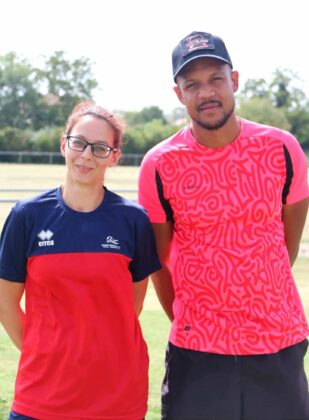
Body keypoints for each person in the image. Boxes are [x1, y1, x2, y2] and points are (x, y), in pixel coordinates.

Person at [138, 31, 309, 420]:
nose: (206, 92)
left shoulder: (282, 149)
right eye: (192, 84)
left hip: (276, 345)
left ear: (234, 80)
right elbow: (160, 262)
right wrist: (195, 318)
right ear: (179, 94)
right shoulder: (160, 164)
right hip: (198, 353)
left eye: (215, 78)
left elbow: (286, 244)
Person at [0, 100, 161, 420]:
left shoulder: (133, 220)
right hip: (42, 397)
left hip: (117, 398)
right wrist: (44, 352)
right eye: (79, 143)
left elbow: (131, 305)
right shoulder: (27, 216)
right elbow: (5, 304)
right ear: (64, 144)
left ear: (114, 156)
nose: (86, 155)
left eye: (100, 148)